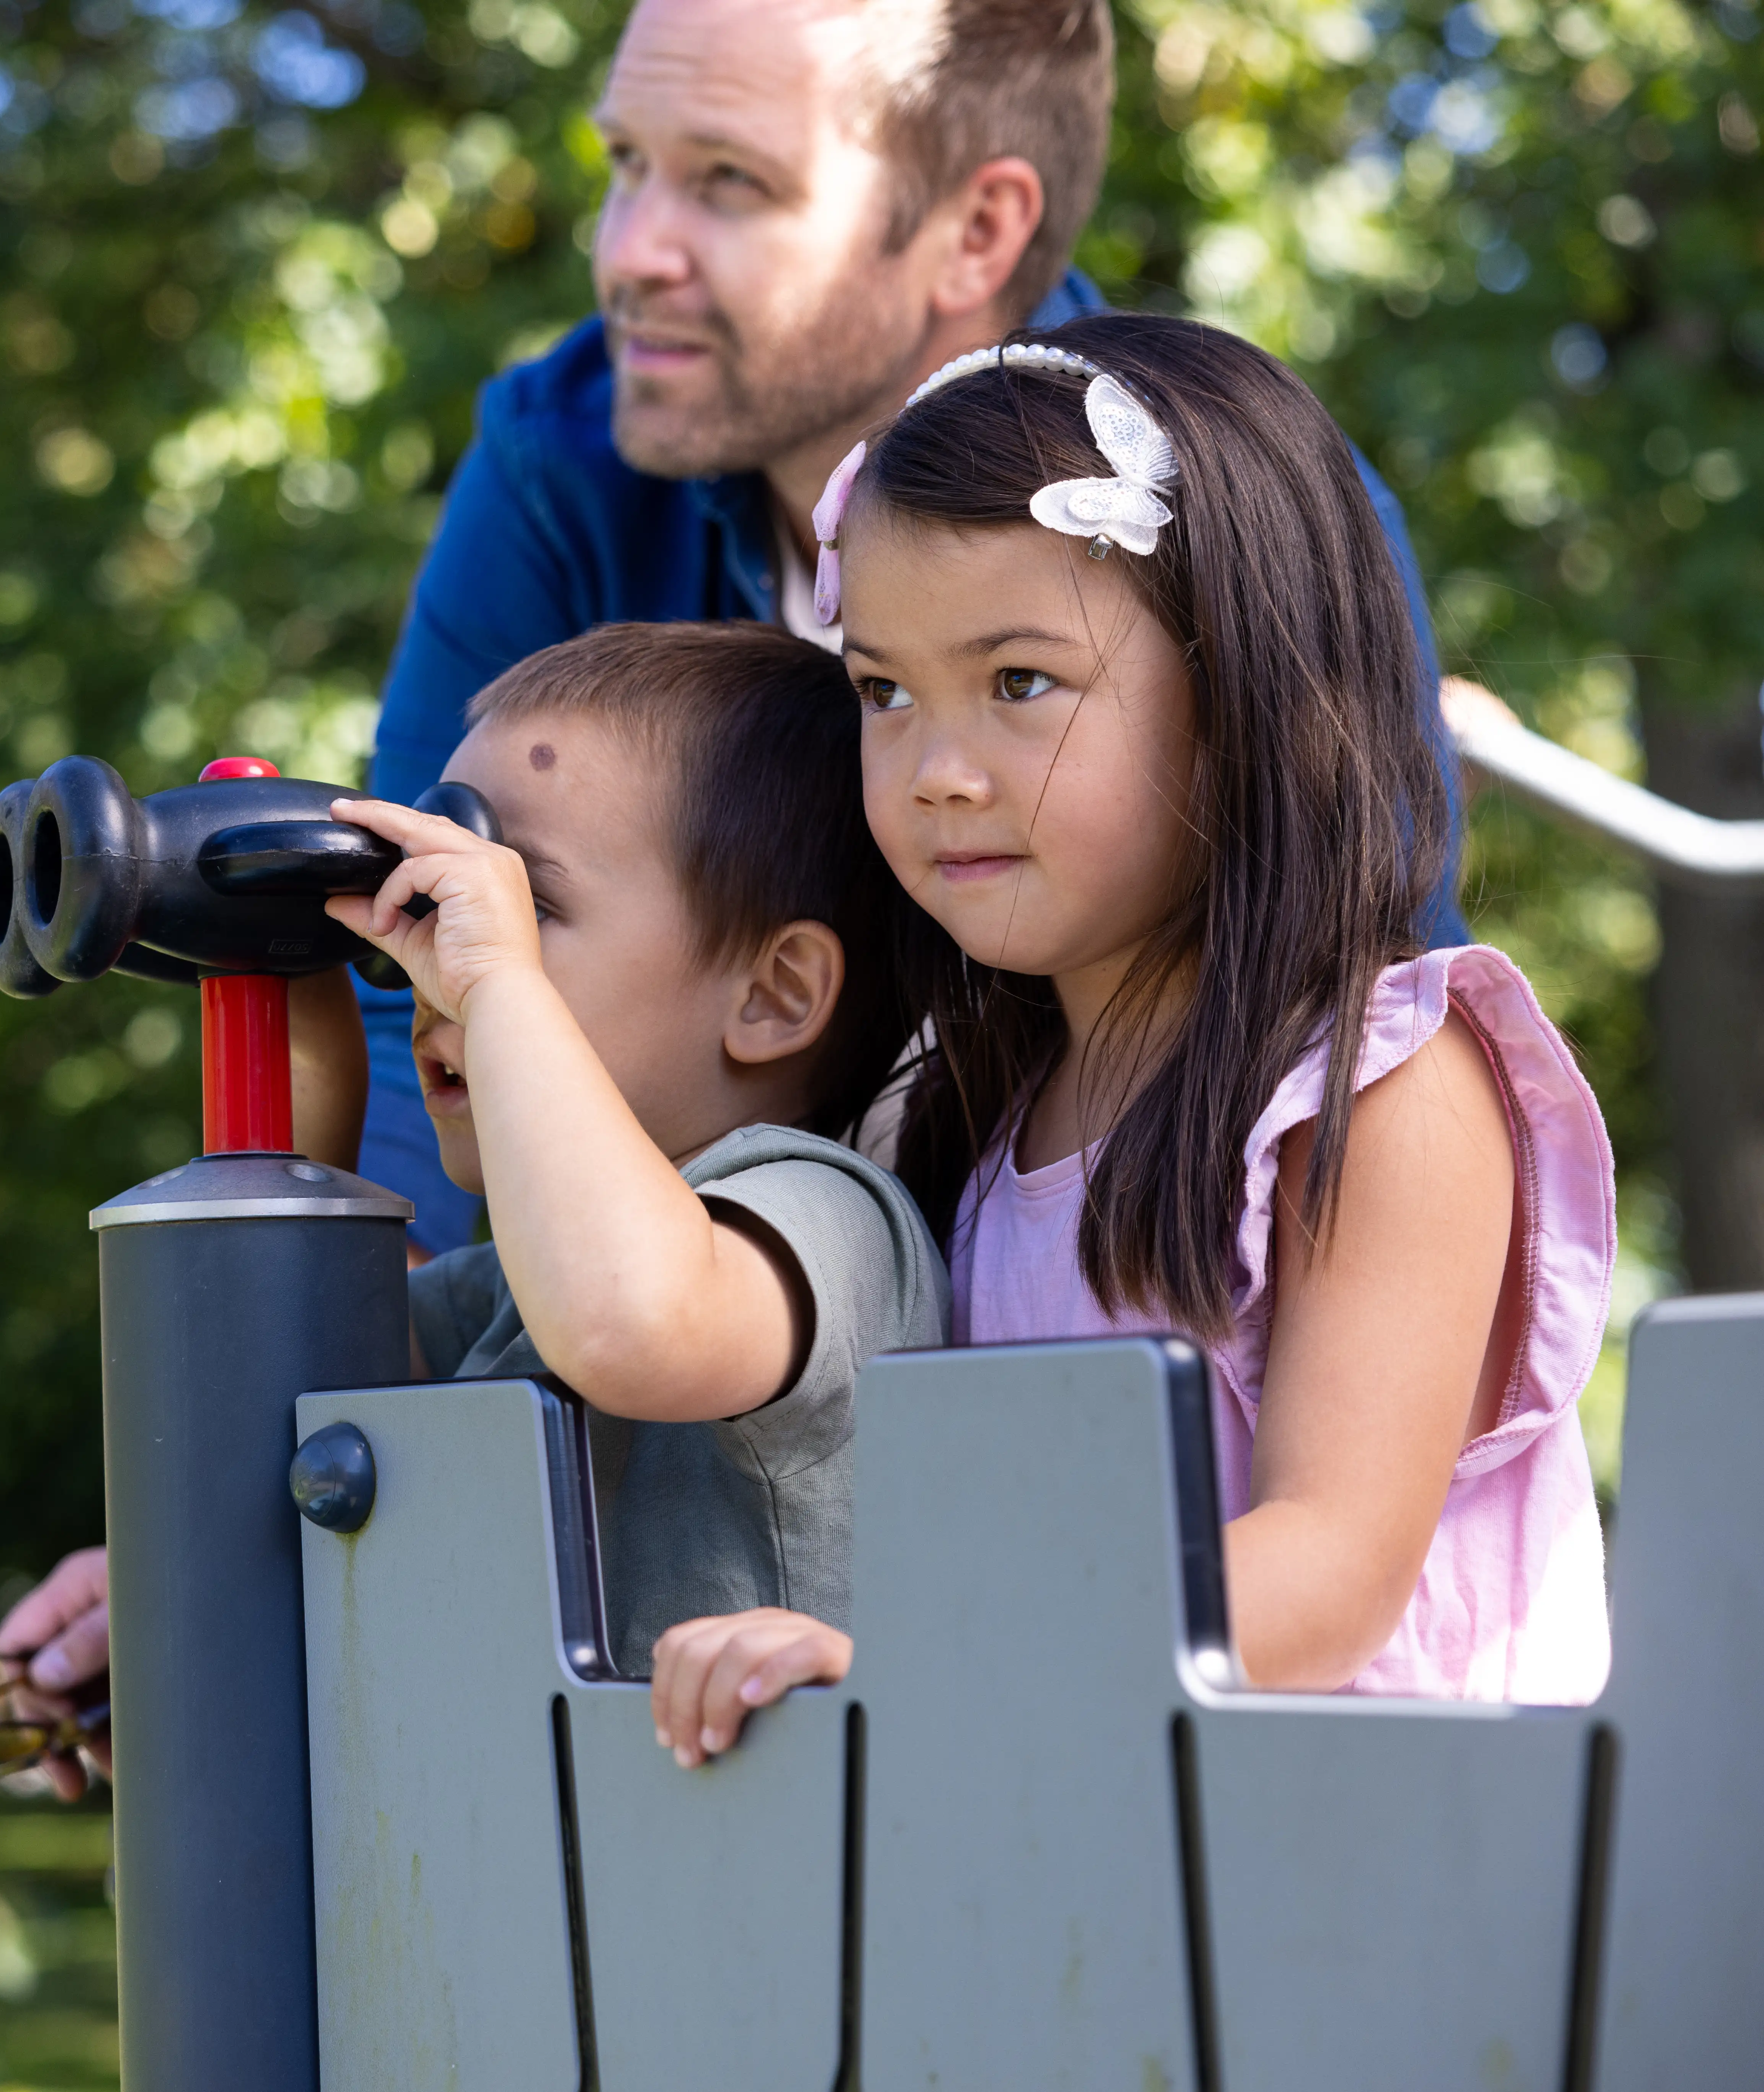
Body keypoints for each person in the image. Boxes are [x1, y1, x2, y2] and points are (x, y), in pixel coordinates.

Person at [650, 315, 1613, 1768]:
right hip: (1120, 1884)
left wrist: (928, 1658)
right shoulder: (971, 1114)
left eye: (1021, 683)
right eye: (883, 691)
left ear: (1240, 700)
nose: (938, 773)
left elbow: (1334, 1576)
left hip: (1397, 1902)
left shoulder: (1385, 1083)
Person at [354, 0, 1460, 1258]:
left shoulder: (1231, 517)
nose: (631, 251)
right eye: (627, 165)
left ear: (975, 230)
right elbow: (411, 990)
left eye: (730, 181)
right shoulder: (565, 462)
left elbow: (1363, 995)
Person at [0, 623, 948, 1793]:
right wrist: (279, 973)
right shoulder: (511, 1289)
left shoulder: (823, 1217)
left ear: (774, 993)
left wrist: (499, 988)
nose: (442, 964)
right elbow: (296, 1366)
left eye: (515, 900)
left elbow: (631, 1324)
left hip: (766, 1925)